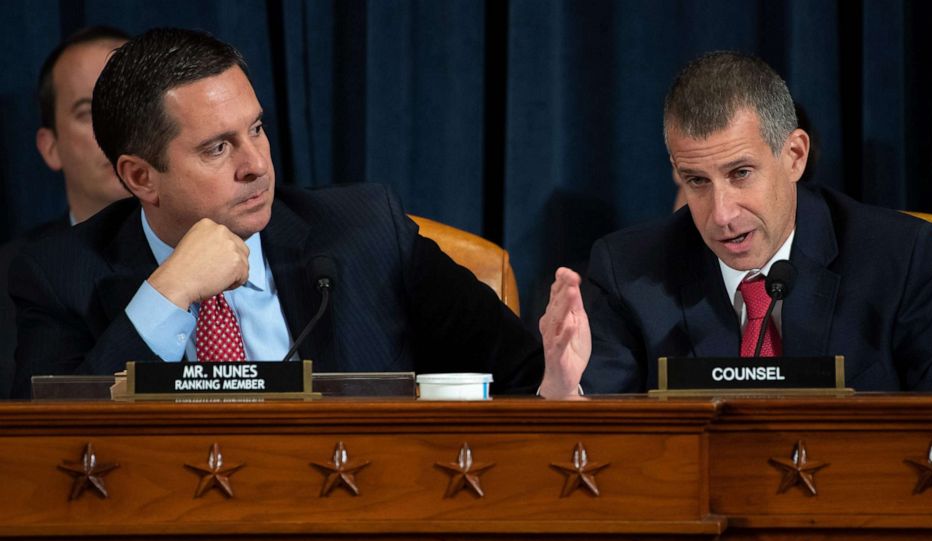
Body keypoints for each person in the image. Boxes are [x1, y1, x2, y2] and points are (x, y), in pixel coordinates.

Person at [9, 28, 542, 398]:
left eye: (257, 129)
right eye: (217, 148)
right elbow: (50, 452)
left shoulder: (366, 232)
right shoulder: (60, 275)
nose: (256, 165)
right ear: (140, 177)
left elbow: (522, 372)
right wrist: (167, 295)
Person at [539, 51, 932, 397]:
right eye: (697, 181)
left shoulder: (899, 259)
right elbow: (600, 448)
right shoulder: (629, 273)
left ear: (794, 155)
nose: (722, 215)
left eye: (741, 174)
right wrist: (563, 394)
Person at [0, 26, 129, 397]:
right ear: (50, 147)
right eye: (89, 112)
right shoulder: (10, 278)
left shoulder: (222, 255)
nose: (115, 129)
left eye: (130, 104)